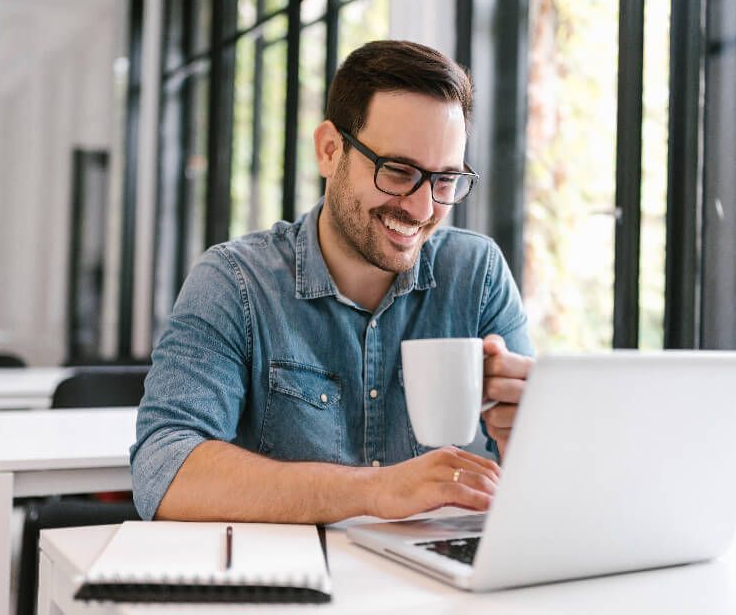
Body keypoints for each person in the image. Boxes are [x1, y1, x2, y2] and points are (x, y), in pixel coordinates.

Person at [131, 40, 534, 524]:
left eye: (445, 181)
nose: (424, 209)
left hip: (438, 590)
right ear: (329, 150)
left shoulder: (478, 273)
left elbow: (538, 490)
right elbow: (164, 470)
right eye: (398, 171)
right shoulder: (235, 282)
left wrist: (528, 444)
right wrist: (373, 490)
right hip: (295, 589)